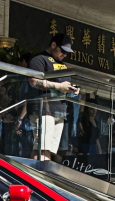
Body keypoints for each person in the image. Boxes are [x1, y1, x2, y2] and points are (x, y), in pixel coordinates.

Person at [25, 33, 80, 161]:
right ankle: (34, 177)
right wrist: (59, 86)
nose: (64, 55)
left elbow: (63, 84)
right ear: (53, 44)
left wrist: (72, 88)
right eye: (63, 51)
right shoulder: (39, 59)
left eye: (67, 53)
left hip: (59, 111)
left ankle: (43, 175)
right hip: (43, 108)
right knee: (41, 146)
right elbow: (33, 81)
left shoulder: (63, 65)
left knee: (49, 149)